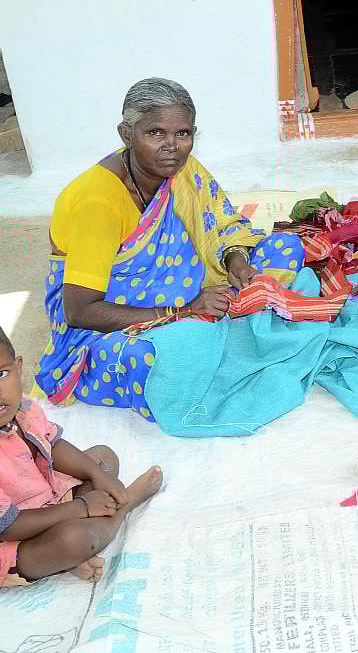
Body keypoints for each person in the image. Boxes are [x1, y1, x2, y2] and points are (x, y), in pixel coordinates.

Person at [36, 78, 304, 422]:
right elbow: (80, 311)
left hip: (194, 286)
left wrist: (235, 257)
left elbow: (222, 222)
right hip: (110, 318)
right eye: (156, 133)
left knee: (286, 246)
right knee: (155, 357)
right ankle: (216, 330)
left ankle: (219, 325)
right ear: (126, 134)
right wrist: (186, 310)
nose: (172, 146)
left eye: (183, 133)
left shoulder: (182, 168)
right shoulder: (98, 202)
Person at [1, 326, 163, 585]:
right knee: (72, 540)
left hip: (46, 498)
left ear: (18, 368)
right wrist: (82, 508)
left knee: (102, 459)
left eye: (1, 374)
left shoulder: (24, 407)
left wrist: (97, 475)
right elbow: (8, 526)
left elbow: (53, 445)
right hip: (13, 538)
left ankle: (62, 562)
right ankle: (125, 507)